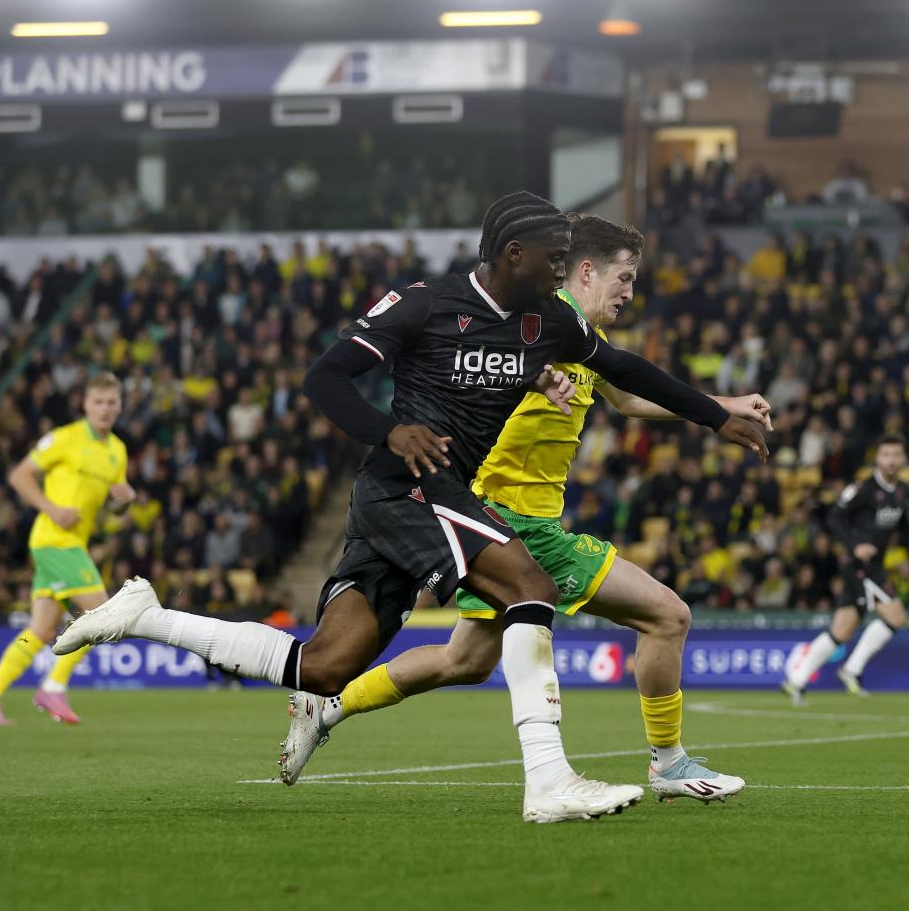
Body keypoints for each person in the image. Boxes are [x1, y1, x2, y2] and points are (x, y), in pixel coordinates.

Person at [54, 192, 768, 824]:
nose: (560, 273)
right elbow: (326, 377)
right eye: (553, 260)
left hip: (426, 499)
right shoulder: (423, 304)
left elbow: (628, 372)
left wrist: (713, 416)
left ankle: (143, 616)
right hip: (407, 485)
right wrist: (386, 429)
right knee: (531, 588)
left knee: (326, 667)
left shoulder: (548, 323)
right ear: (513, 254)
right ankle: (550, 781)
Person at [279, 214, 768, 800]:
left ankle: (327, 705)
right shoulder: (536, 326)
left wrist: (720, 407)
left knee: (465, 661)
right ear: (585, 270)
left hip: (496, 518)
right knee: (667, 615)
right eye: (625, 278)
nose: (630, 294)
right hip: (510, 522)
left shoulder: (579, 340)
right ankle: (667, 762)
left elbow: (631, 396)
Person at [0, 373, 135, 725]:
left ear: (120, 405)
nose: (105, 409)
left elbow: (115, 506)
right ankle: (54, 686)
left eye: (112, 402)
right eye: (98, 402)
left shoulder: (117, 451)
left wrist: (126, 502)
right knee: (104, 614)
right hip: (54, 540)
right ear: (85, 404)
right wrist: (53, 509)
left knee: (40, 630)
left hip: (70, 544)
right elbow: (20, 475)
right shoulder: (65, 438)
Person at [782, 433, 909, 702]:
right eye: (886, 454)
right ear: (877, 458)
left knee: (841, 630)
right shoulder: (863, 489)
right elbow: (835, 516)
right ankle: (852, 670)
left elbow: (903, 527)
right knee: (896, 616)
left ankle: (796, 680)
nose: (891, 460)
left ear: (903, 459)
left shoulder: (901, 492)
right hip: (861, 567)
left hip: (872, 566)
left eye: (896, 455)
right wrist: (855, 546)